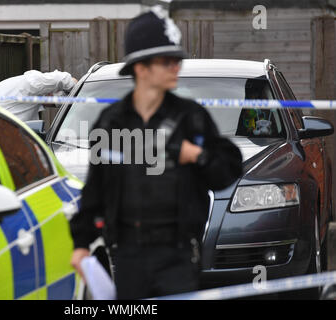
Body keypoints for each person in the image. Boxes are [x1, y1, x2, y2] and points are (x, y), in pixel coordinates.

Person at [69, 6, 243, 300]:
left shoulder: (192, 118)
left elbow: (228, 169)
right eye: (167, 61)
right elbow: (95, 191)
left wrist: (198, 156)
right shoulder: (111, 123)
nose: (176, 67)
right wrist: (81, 244)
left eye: (177, 60)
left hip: (177, 257)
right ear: (141, 67)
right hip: (126, 257)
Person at [0, 69, 77, 121]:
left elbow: (52, 101)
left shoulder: (22, 95)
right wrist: (80, 91)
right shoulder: (32, 83)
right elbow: (65, 79)